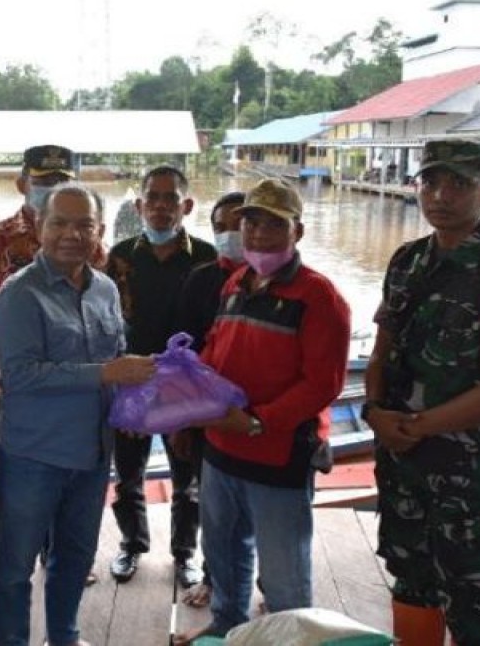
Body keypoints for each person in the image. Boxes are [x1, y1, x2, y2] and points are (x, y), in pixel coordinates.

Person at [365, 140, 480, 646]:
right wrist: (376, 411)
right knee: (411, 581)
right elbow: (381, 353)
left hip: (467, 473)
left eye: (459, 184)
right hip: (403, 459)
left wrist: (413, 428)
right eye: (430, 181)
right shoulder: (406, 261)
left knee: (474, 603)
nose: (440, 195)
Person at [174, 178, 352, 643]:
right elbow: (215, 352)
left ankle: (291, 637)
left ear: (298, 232)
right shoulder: (235, 282)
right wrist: (189, 402)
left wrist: (257, 421)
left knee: (284, 573)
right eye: (251, 221)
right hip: (219, 448)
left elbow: (323, 384)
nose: (257, 233)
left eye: (274, 224)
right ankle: (229, 629)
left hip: (277, 453)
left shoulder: (320, 297)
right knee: (224, 553)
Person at [0, 185, 156, 646]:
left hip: (92, 454)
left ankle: (64, 636)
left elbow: (117, 357)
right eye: (60, 222)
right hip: (33, 454)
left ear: (100, 231)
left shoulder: (104, 289)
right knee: (16, 566)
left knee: (76, 556)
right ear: (39, 227)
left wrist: (134, 395)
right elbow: (18, 377)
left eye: (84, 224)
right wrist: (107, 373)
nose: (71, 234)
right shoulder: (18, 295)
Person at [0, 144, 103, 565]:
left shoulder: (89, 241)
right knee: (9, 481)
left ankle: (60, 559)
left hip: (72, 383)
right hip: (8, 385)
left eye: (62, 182)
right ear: (23, 183)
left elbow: (99, 311)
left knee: (69, 474)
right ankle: (9, 566)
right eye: (43, 182)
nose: (51, 189)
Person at [106, 165, 216, 588]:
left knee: (186, 478)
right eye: (152, 197)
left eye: (171, 199)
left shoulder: (206, 258)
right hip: (132, 381)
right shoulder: (119, 257)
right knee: (128, 472)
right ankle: (132, 545)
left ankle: (184, 553)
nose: (161, 207)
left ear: (186, 206)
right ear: (139, 205)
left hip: (185, 386)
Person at [169, 190, 246, 609]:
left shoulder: (291, 283)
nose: (231, 234)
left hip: (267, 419)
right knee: (216, 512)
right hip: (209, 418)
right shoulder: (201, 279)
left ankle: (272, 589)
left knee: (269, 514)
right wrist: (184, 420)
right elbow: (183, 356)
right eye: (222, 227)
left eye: (240, 225)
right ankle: (215, 578)